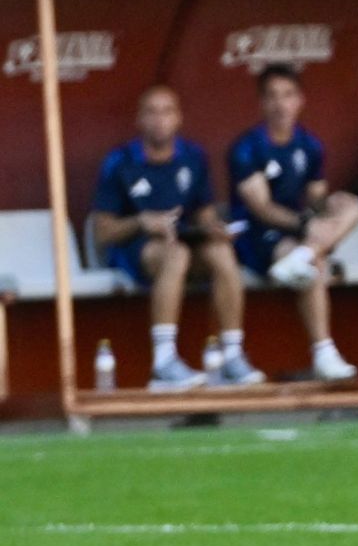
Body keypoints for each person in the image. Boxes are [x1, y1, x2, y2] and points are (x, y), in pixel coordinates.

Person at [89, 86, 264, 391]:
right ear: (139, 120)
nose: (160, 120)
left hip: (183, 240)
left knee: (221, 252)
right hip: (136, 248)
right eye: (152, 112)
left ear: (179, 118)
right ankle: (164, 362)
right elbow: (103, 231)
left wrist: (213, 227)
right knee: (176, 254)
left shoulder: (193, 156)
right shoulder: (121, 161)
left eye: (167, 111)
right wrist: (142, 221)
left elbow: (204, 212)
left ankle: (233, 354)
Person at [227, 65, 358, 382]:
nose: (280, 105)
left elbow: (315, 199)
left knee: (353, 207)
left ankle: (304, 255)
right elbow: (260, 207)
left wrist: (330, 206)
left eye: (288, 95)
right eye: (272, 97)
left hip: (300, 234)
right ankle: (323, 352)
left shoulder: (310, 145)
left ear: (300, 100)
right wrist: (306, 226)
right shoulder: (246, 147)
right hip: (256, 237)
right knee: (314, 260)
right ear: (261, 104)